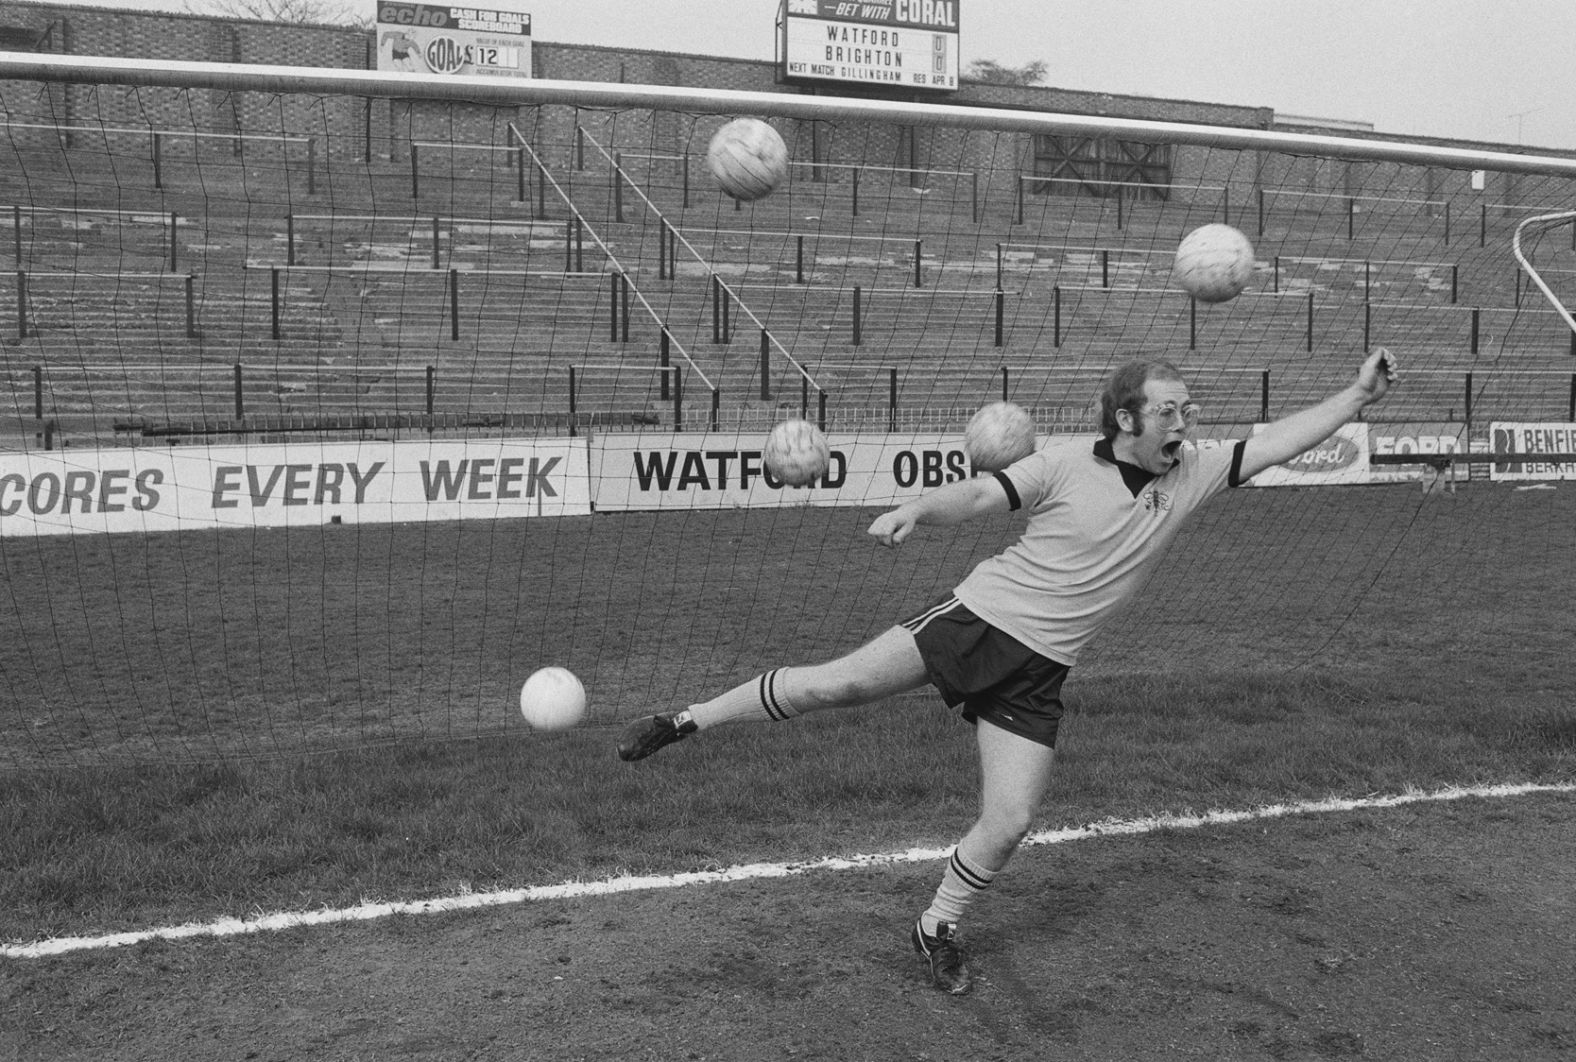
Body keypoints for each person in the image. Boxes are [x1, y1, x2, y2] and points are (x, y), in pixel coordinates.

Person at [616, 348, 1397, 994]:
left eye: (1188, 410)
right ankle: (683, 720)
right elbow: (983, 494)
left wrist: (1357, 394)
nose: (1185, 423)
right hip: (977, 622)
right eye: (1170, 410)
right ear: (1126, 419)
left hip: (1039, 673)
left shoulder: (1191, 472)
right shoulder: (1060, 465)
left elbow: (1282, 438)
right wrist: (919, 510)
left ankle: (936, 927)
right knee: (838, 684)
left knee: (1012, 819)